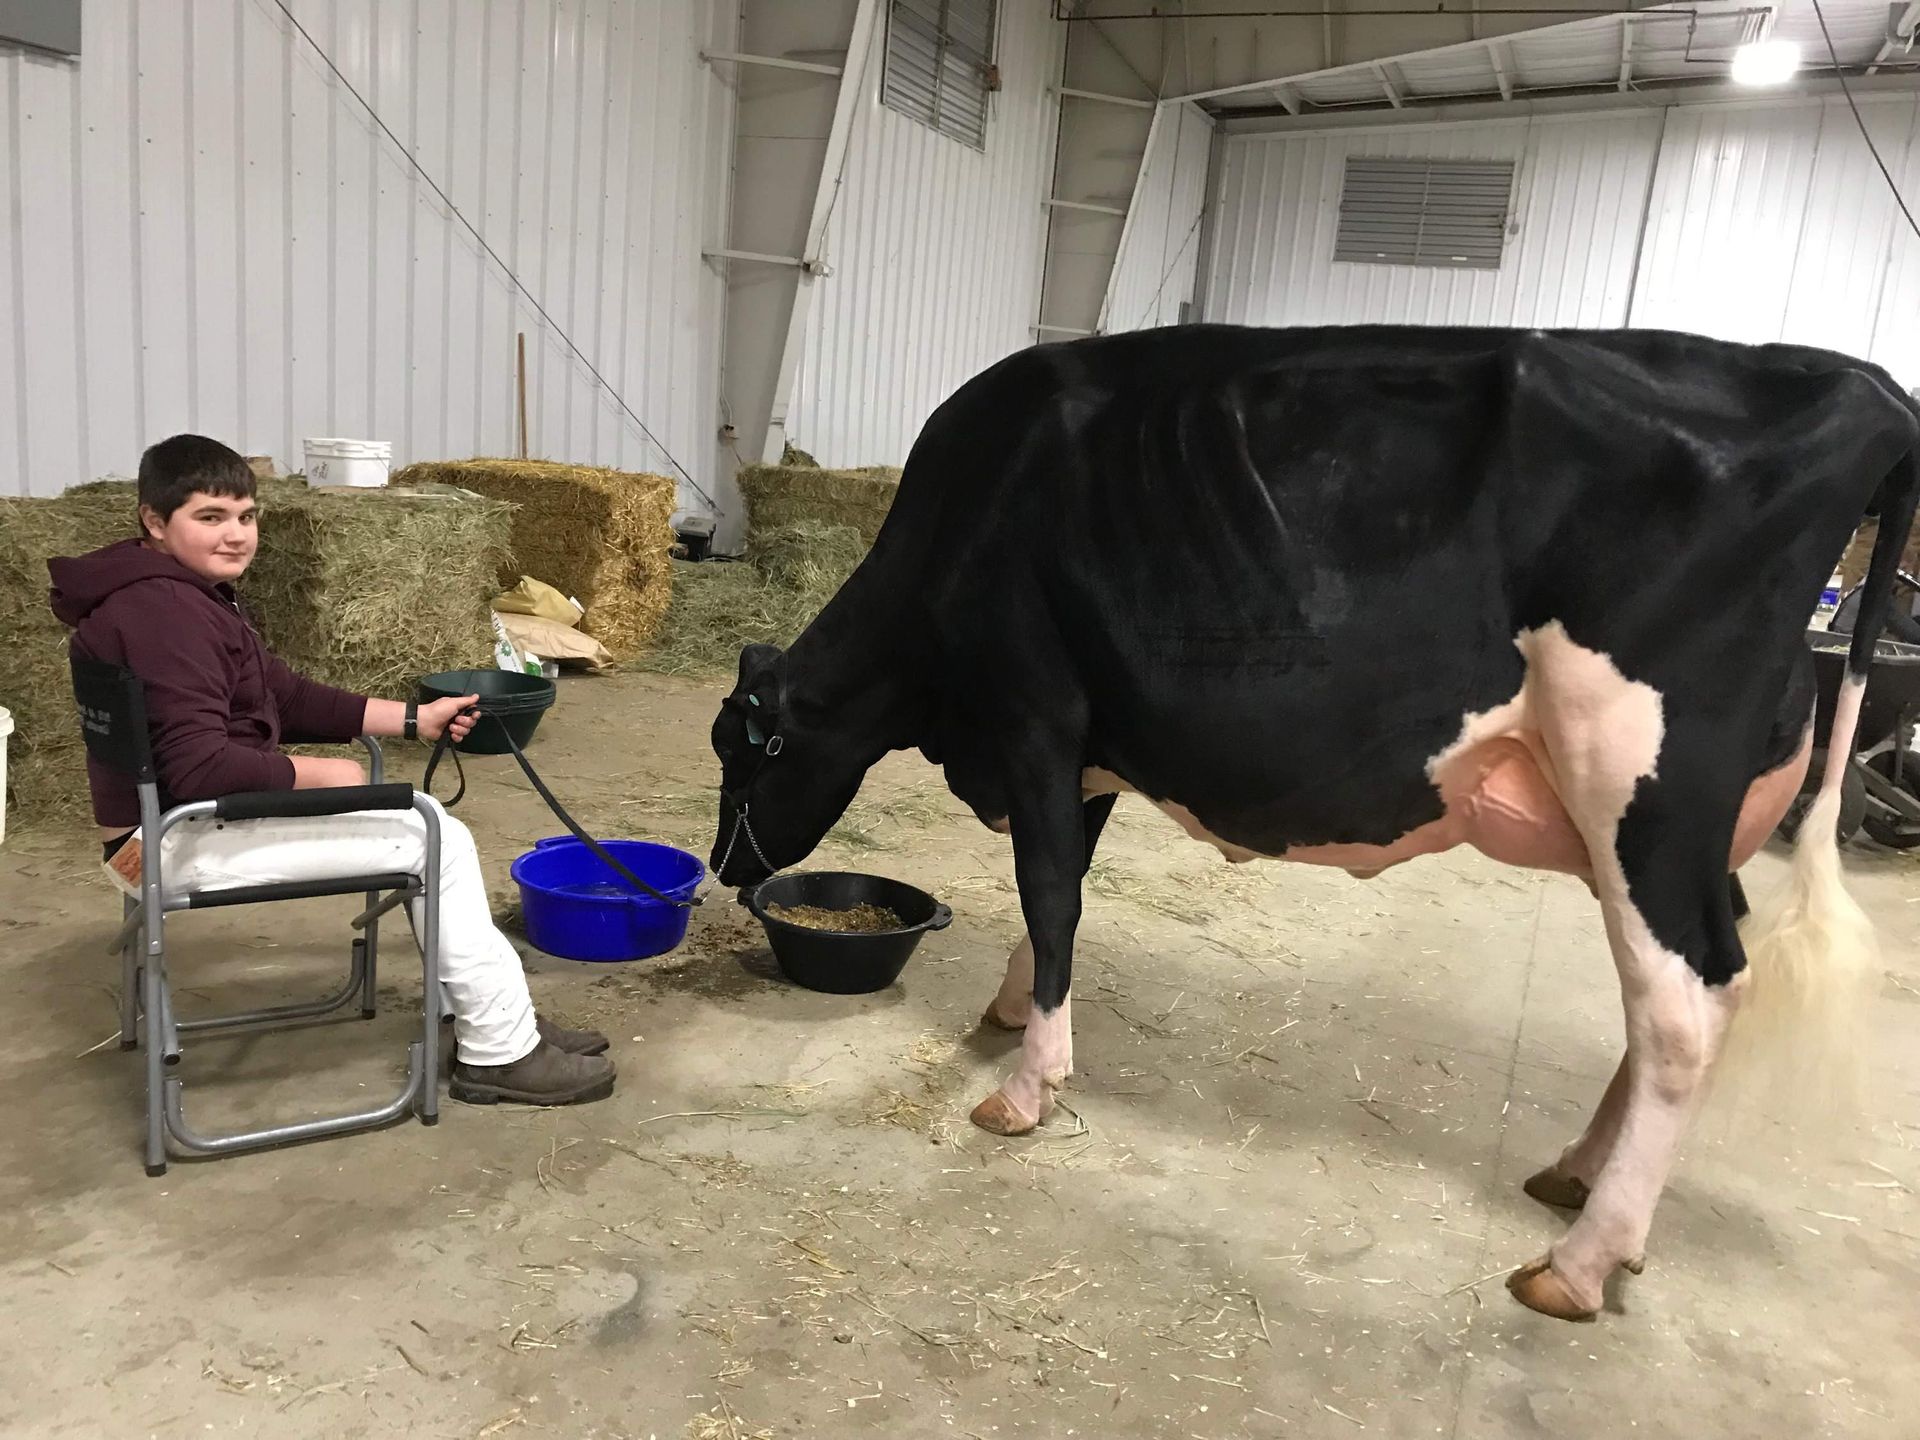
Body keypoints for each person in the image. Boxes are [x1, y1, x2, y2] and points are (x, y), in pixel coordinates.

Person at [49, 434, 614, 1106]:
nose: (236, 536)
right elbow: (200, 766)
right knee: (438, 838)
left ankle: (495, 1014)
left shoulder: (175, 593)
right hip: (168, 842)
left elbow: (283, 697)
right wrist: (330, 777)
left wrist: (414, 720)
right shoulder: (164, 613)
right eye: (210, 517)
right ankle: (500, 1050)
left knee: (420, 826)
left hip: (163, 826)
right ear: (153, 520)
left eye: (246, 516)